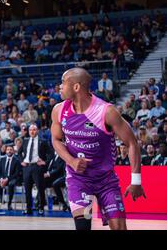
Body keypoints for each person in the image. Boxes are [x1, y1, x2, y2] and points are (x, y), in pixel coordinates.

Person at [51, 67, 145, 230]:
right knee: (83, 226)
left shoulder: (106, 112)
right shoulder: (59, 110)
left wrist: (136, 180)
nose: (59, 86)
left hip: (106, 181)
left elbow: (131, 143)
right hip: (78, 179)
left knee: (119, 228)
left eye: (63, 82)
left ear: (76, 87)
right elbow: (56, 139)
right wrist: (71, 161)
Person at [18, 124, 52, 216]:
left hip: (37, 167)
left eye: (34, 130)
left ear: (37, 131)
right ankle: (29, 208)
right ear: (28, 131)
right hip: (27, 167)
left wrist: (45, 162)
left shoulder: (43, 141)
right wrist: (22, 161)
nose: (32, 131)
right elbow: (19, 153)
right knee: (27, 189)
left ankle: (41, 208)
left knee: (40, 189)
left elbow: (51, 153)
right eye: (30, 130)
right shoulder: (25, 141)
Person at [0, 145, 21, 210]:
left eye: (11, 150)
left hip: (12, 178)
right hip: (2, 179)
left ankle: (9, 204)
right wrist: (1, 179)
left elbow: (17, 173)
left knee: (11, 184)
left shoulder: (17, 161)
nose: (9, 151)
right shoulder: (2, 159)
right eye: (8, 150)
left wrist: (7, 179)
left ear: (13, 151)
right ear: (6, 151)